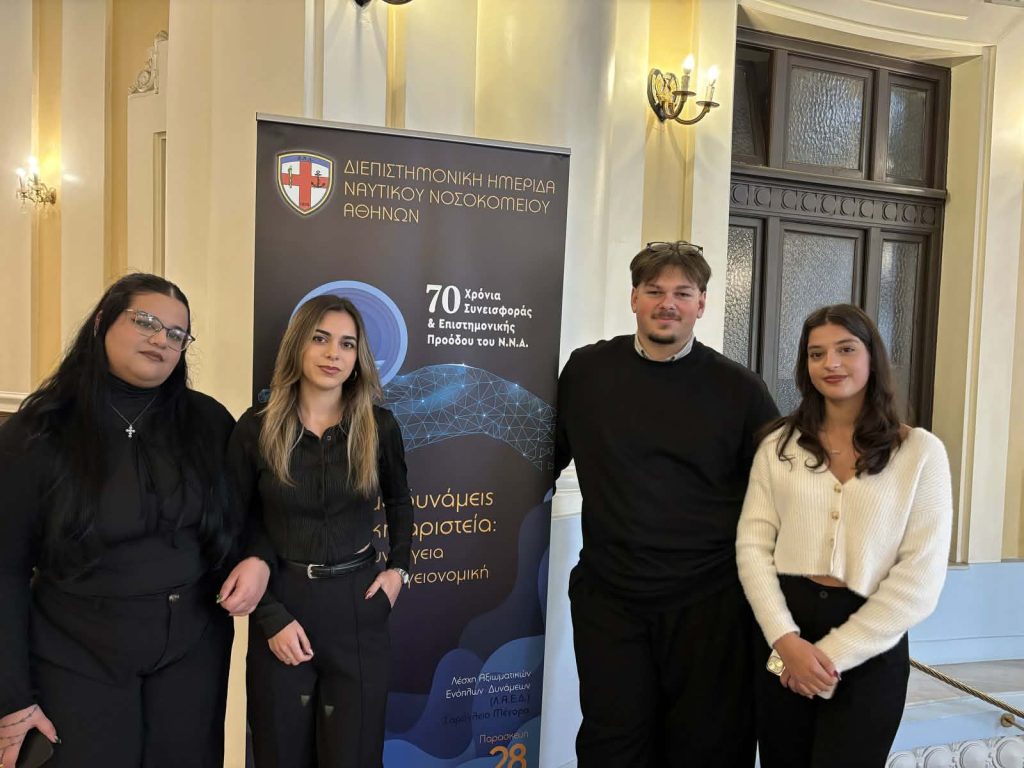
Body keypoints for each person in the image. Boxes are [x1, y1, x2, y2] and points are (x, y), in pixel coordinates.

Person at [0, 273, 268, 768]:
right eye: (145, 321)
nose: (161, 339)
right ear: (102, 322)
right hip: (76, 655)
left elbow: (251, 513)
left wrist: (257, 559)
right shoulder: (38, 432)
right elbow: (5, 571)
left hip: (193, 652)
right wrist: (11, 700)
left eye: (176, 333)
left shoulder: (209, 422)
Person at [553, 241, 779, 767]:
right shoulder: (586, 372)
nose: (667, 303)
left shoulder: (739, 389)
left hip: (709, 603)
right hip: (610, 599)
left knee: (706, 748)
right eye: (654, 291)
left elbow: (781, 492)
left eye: (682, 292)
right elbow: (544, 457)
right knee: (612, 745)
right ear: (633, 298)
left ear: (702, 303)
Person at [736, 303, 953, 768]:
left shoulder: (919, 453)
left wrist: (826, 657)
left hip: (872, 638)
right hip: (785, 627)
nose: (831, 363)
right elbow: (753, 547)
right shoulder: (778, 445)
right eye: (816, 354)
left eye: (846, 349)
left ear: (872, 356)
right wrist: (786, 642)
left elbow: (919, 579)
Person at [229, 294, 413, 768]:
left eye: (347, 344)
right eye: (321, 339)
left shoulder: (379, 426)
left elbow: (399, 502)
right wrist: (270, 617)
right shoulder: (255, 429)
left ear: (358, 357)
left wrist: (399, 571)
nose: (334, 353)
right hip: (283, 606)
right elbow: (235, 526)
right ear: (298, 346)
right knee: (281, 754)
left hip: (359, 607)